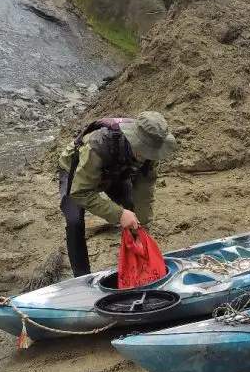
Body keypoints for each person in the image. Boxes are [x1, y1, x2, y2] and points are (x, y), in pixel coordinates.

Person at [56, 111, 177, 277]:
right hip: (78, 170)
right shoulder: (98, 145)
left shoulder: (152, 153)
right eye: (141, 151)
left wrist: (142, 234)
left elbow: (144, 195)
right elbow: (80, 192)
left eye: (148, 153)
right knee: (75, 220)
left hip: (114, 171)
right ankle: (82, 276)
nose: (144, 158)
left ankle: (136, 264)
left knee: (131, 206)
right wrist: (118, 214)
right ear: (132, 139)